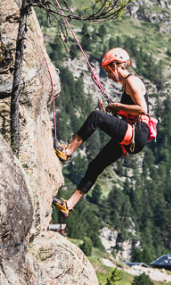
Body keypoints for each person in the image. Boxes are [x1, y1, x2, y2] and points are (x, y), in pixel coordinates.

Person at [53, 48, 150, 218]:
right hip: (133, 134)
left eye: (108, 71)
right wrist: (112, 113)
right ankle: (68, 205)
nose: (109, 76)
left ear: (115, 66)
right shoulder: (127, 84)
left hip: (137, 131)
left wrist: (116, 107)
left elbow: (142, 110)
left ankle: (67, 151)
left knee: (96, 117)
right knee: (95, 166)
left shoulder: (132, 81)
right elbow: (130, 114)